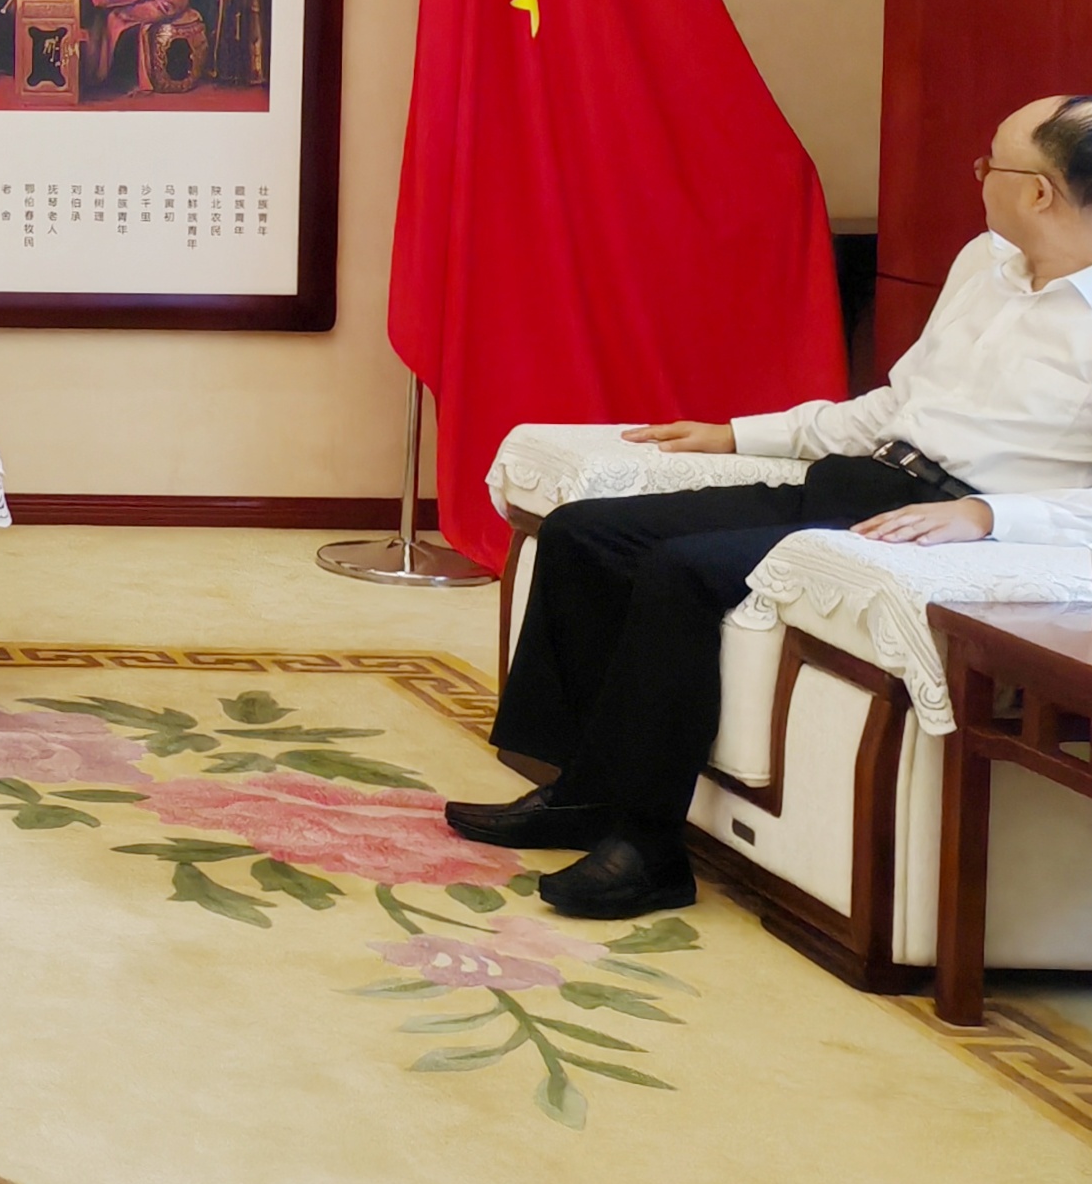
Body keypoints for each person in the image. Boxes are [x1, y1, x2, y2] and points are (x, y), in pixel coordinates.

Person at [449, 95, 1092, 917]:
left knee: (682, 572)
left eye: (988, 163)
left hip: (949, 522)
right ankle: (579, 791)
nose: (976, 176)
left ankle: (646, 851)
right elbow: (894, 405)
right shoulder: (984, 264)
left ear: (1037, 191)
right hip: (866, 481)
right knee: (588, 532)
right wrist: (739, 434)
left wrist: (988, 518)